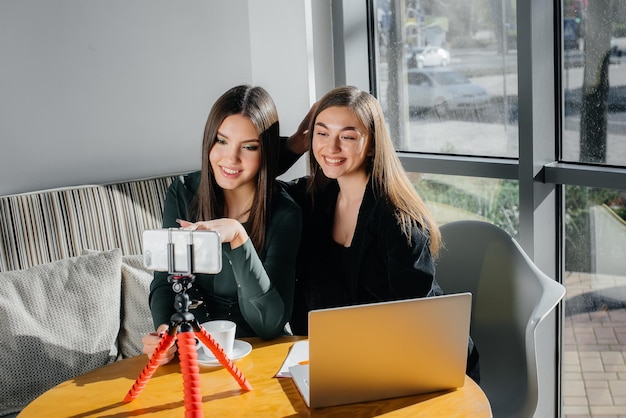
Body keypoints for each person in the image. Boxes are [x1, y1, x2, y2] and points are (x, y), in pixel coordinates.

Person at [281, 85, 480, 382]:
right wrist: (296, 144)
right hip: (350, 360)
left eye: (347, 137)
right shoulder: (313, 198)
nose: (331, 148)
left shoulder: (399, 221)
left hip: (422, 362)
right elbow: (250, 178)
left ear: (373, 144)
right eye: (322, 134)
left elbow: (415, 327)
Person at [142, 85, 302, 364]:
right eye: (222, 141)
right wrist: (165, 331)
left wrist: (238, 238)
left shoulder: (285, 213)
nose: (231, 158)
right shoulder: (182, 192)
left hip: (262, 357)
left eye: (249, 147)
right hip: (194, 354)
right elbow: (166, 282)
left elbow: (269, 325)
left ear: (266, 152)